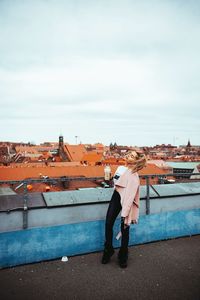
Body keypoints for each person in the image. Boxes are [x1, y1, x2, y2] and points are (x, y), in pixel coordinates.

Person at [101, 151, 147, 268]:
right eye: (128, 154)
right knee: (108, 223)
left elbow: (132, 193)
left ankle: (123, 255)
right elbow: (115, 184)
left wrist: (126, 209)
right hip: (116, 197)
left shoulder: (134, 174)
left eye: (131, 156)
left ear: (136, 160)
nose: (127, 156)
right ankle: (108, 249)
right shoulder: (120, 168)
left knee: (125, 227)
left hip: (127, 200)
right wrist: (109, 179)